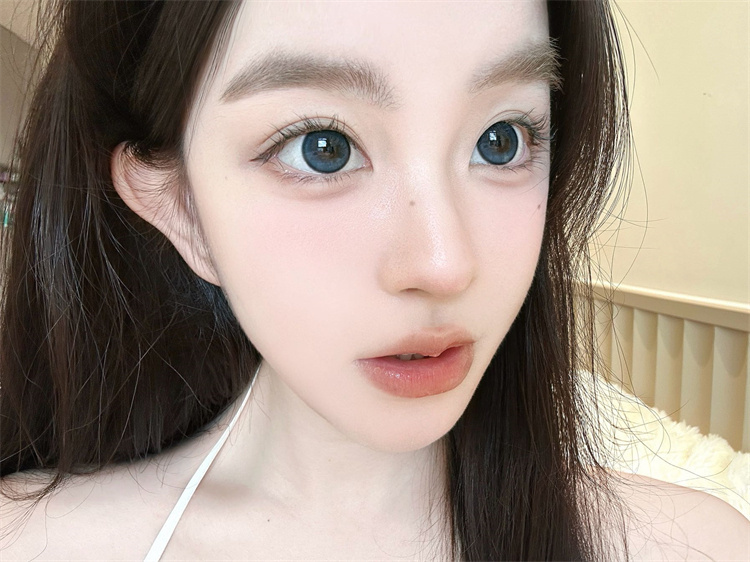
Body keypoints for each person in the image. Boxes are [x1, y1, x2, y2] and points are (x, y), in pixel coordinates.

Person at [0, 1, 747, 560]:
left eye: (502, 140)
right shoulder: (33, 542)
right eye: (322, 147)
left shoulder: (693, 547)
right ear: (180, 207)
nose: (445, 264)